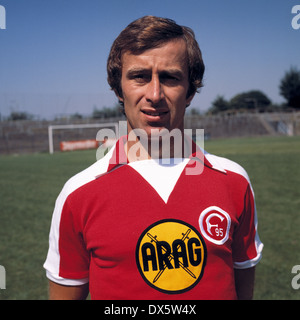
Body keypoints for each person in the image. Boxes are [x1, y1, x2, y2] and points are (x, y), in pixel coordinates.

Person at [44, 16, 263, 300]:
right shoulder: (78, 194)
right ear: (117, 88)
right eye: (140, 76)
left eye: (170, 77)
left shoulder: (234, 182)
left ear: (191, 90)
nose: (155, 94)